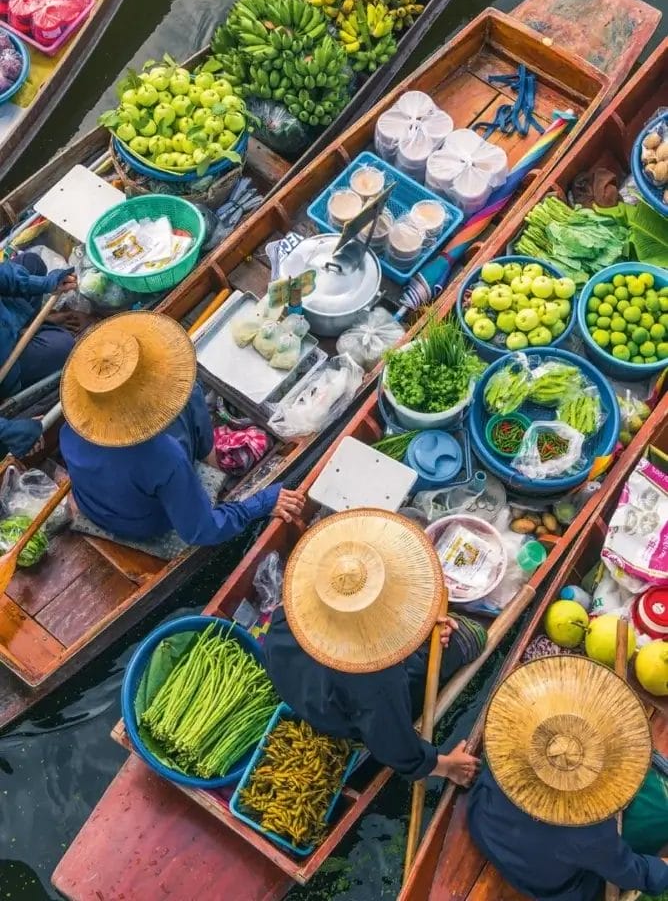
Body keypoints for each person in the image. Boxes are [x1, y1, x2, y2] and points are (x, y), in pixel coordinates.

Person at [265, 508, 484, 784]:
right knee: (471, 636)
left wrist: (423, 625)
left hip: (298, 680)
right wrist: (448, 766)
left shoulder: (300, 598)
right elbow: (394, 747)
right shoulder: (376, 675)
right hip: (338, 713)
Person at [59, 311, 304, 546]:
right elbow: (203, 530)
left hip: (95, 503)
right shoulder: (164, 455)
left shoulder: (74, 423)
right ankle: (211, 459)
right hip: (144, 524)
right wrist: (261, 503)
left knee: (191, 397)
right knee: (191, 397)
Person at [467, 654, 668, 901]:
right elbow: (633, 872)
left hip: (482, 824)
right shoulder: (593, 832)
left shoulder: (511, 741)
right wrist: (663, 869)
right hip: (541, 881)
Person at [0, 253, 78, 401]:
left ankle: (30, 322)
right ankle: (31, 328)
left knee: (31, 262)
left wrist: (45, 283)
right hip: (5, 360)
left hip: (5, 314)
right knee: (65, 346)